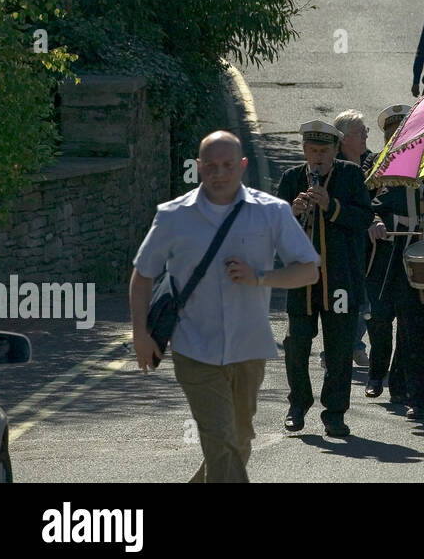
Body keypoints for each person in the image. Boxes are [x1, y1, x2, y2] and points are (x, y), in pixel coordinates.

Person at [130, 131, 319, 482]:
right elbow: (142, 276)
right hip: (194, 348)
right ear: (199, 167)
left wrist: (260, 277)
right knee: (220, 440)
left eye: (228, 165)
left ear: (243, 166)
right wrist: (140, 333)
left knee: (239, 438)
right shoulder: (174, 216)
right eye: (211, 166)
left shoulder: (272, 212)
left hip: (249, 348)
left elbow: (308, 270)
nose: (219, 173)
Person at [277, 121, 374, 438]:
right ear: (304, 150)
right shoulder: (292, 179)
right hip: (301, 281)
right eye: (312, 151)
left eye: (324, 151)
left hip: (340, 279)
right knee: (296, 345)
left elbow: (363, 219)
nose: (318, 157)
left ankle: (334, 413)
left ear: (335, 150)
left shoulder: (350, 175)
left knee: (338, 348)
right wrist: (292, 212)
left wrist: (330, 205)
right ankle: (297, 404)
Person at [365, 107, 424, 420]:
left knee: (412, 327)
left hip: (422, 255)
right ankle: (377, 373)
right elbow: (366, 204)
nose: (398, 137)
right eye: (392, 132)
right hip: (388, 255)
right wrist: (376, 219)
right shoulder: (379, 163)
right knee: (380, 318)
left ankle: (410, 390)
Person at [334, 111, 374, 368]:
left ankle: (355, 343)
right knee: (342, 300)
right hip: (342, 246)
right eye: (360, 132)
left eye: (365, 131)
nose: (365, 136)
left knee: (366, 297)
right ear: (343, 138)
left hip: (371, 244)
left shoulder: (373, 163)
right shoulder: (333, 167)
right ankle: (337, 350)